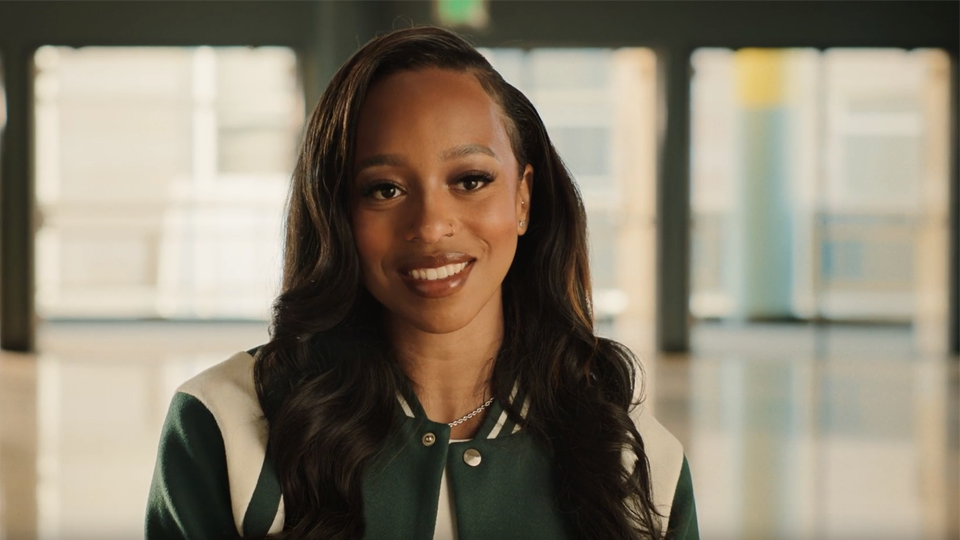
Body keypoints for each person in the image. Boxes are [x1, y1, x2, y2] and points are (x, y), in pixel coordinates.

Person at [145, 26, 698, 540]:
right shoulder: (222, 427)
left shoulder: (635, 458)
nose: (432, 226)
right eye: (384, 189)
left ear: (523, 199)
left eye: (471, 180)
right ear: (338, 213)